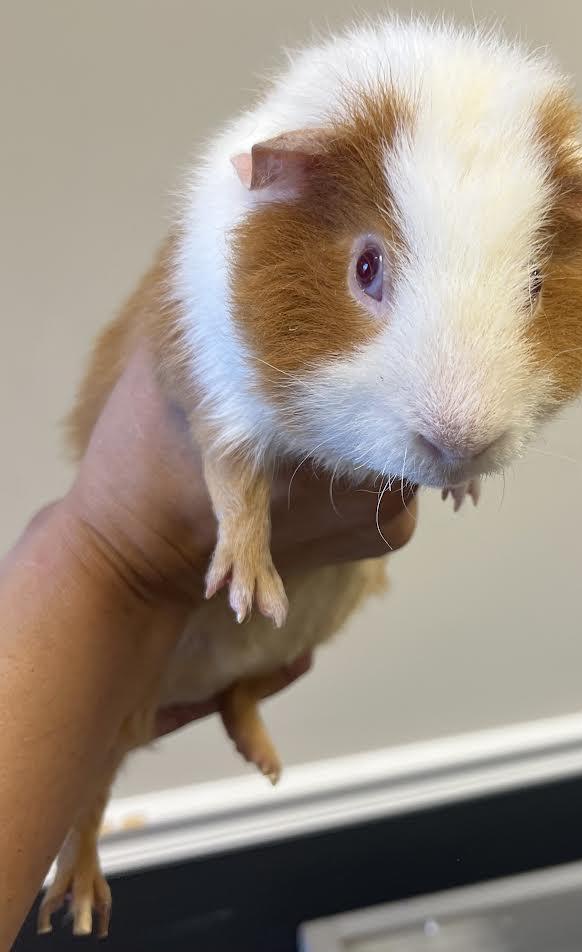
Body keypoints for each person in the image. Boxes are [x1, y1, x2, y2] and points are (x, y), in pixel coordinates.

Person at [0, 346, 416, 947]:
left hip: (271, 616)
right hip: (192, 617)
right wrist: (120, 555)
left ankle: (238, 698)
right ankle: (82, 840)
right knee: (115, 707)